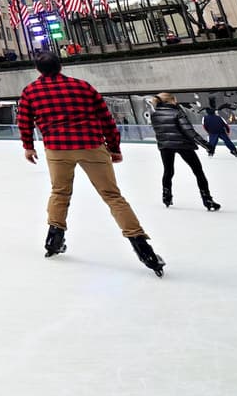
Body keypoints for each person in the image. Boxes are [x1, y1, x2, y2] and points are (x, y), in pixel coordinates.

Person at [17, 52, 164, 276]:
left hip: (57, 148)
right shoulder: (83, 87)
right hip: (91, 145)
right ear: (60, 65)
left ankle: (54, 238)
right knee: (112, 196)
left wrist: (28, 146)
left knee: (60, 192)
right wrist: (114, 147)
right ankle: (142, 246)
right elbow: (106, 118)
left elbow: (24, 120)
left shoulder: (31, 91)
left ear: (38, 69)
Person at [150, 94, 218, 211]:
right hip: (183, 145)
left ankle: (166, 196)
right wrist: (206, 145)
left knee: (168, 171)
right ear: (171, 100)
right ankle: (207, 199)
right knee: (198, 172)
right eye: (175, 99)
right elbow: (189, 131)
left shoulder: (154, 114)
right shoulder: (177, 112)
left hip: (165, 146)